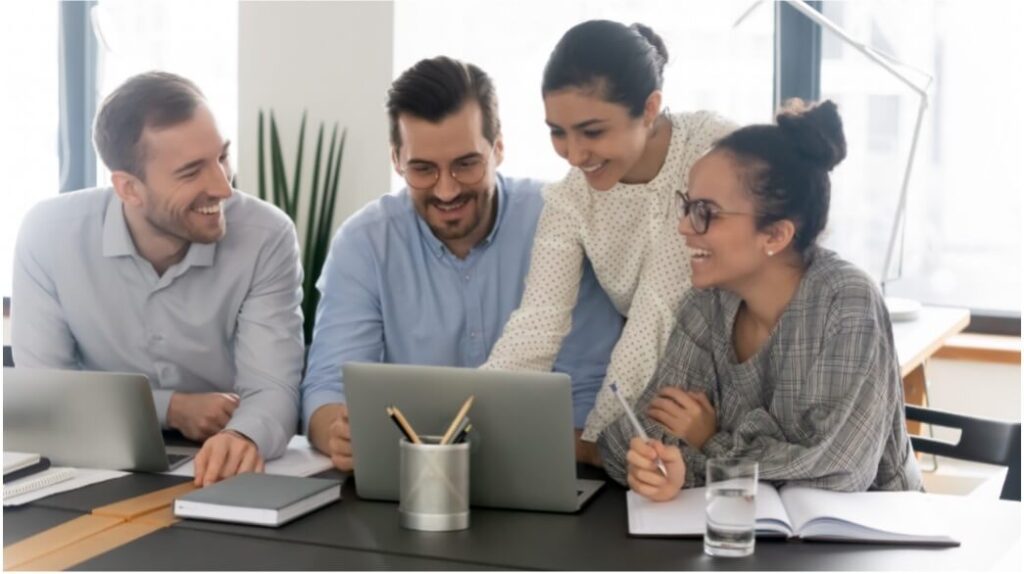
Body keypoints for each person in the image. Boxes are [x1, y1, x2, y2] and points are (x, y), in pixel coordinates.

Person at [301, 56, 623, 471]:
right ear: (397, 159)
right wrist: (336, 432)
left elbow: (590, 391)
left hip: (547, 470)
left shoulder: (560, 221)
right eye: (423, 169)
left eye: (465, 164)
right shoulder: (363, 243)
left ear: (499, 148)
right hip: (410, 479)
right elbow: (328, 387)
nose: (447, 189)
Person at [598, 100, 924, 501]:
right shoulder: (705, 306)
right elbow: (624, 443)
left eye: (705, 212)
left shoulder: (847, 302)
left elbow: (836, 473)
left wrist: (710, 445)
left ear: (775, 236)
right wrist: (656, 466)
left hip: (867, 548)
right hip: (746, 540)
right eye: (687, 206)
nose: (683, 226)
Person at [11, 71, 305, 486]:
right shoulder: (49, 233)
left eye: (222, 157)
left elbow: (274, 387)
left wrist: (243, 434)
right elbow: (48, 396)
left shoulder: (266, 236)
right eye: (191, 172)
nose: (223, 187)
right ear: (129, 189)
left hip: (217, 467)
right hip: (91, 468)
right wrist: (171, 408)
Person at [484, 20, 736, 451]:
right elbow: (537, 326)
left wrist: (599, 442)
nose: (575, 155)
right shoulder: (570, 199)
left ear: (650, 107)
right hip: (669, 395)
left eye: (592, 131)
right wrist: (464, 420)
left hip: (741, 372)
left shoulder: (710, 151)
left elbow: (656, 313)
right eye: (557, 132)